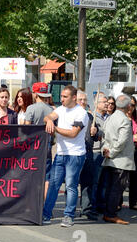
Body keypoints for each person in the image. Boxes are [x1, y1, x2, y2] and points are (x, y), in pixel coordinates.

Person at [42, 85, 88, 227]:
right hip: (61, 153)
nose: (61, 99)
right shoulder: (61, 109)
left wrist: (54, 128)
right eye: (61, 96)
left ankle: (69, 216)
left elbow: (73, 133)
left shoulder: (81, 113)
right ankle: (46, 214)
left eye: (65, 97)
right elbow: (48, 116)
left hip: (75, 155)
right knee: (54, 185)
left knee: (71, 186)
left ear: (74, 98)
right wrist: (49, 120)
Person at [101, 94, 135, 225]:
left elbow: (104, 136)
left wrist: (106, 150)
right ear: (128, 106)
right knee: (116, 188)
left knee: (110, 187)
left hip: (111, 158)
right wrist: (112, 153)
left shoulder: (110, 118)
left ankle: (109, 212)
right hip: (120, 160)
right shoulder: (125, 120)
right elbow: (122, 142)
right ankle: (110, 214)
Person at [25, 82, 57, 200]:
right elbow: (54, 131)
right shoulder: (52, 110)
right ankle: (44, 205)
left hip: (33, 147)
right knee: (46, 177)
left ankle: (33, 204)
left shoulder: (31, 108)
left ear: (35, 94)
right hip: (47, 146)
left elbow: (27, 129)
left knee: (32, 175)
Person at [77, 90, 99, 220]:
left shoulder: (90, 117)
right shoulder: (70, 114)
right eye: (81, 100)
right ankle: (70, 209)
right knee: (72, 183)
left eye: (85, 100)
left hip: (88, 152)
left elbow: (96, 137)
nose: (83, 102)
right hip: (74, 153)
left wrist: (96, 132)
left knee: (87, 182)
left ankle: (86, 209)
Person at [120, 96, 137, 211]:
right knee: (123, 178)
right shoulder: (121, 118)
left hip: (136, 151)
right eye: (130, 104)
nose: (131, 107)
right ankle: (118, 202)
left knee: (134, 177)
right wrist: (132, 137)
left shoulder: (135, 119)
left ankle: (133, 202)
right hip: (125, 152)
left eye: (134, 105)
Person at [92, 93, 110, 215]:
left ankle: (101, 204)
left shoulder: (110, 118)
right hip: (96, 152)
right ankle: (92, 206)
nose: (107, 104)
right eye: (104, 102)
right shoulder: (91, 117)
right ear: (97, 104)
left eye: (107, 102)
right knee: (95, 181)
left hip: (107, 152)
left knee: (104, 181)